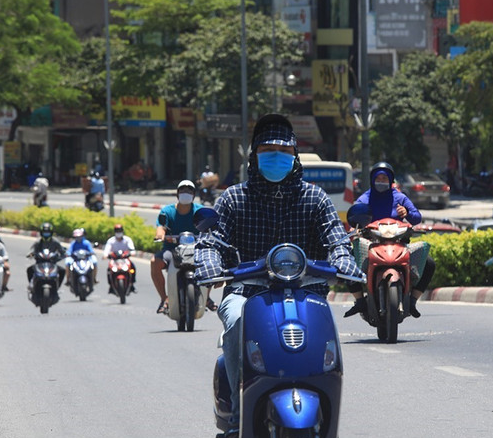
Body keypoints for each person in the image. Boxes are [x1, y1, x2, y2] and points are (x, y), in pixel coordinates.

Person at [194, 114, 363, 420]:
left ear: (294, 156)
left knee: (324, 335)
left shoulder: (316, 198)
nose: (276, 157)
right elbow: (211, 241)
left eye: (284, 151)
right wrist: (208, 264)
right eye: (267, 150)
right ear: (254, 155)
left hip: (307, 289)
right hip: (247, 289)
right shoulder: (233, 198)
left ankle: (326, 408)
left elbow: (337, 239)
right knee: (234, 321)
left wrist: (344, 262)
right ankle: (238, 410)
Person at [344, 161, 435, 319]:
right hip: (371, 243)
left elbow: (416, 218)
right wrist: (355, 226)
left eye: (384, 179)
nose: (381, 181)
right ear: (372, 179)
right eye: (378, 178)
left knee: (429, 263)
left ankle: (412, 300)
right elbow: (355, 214)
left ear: (390, 180)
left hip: (399, 243)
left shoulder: (400, 198)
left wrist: (406, 212)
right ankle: (359, 300)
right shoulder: (365, 198)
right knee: (347, 259)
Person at [153, 180, 213, 313]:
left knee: (211, 263)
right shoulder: (167, 211)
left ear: (194, 194)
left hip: (197, 250)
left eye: (189, 191)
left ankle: (207, 297)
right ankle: (165, 299)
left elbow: (210, 227)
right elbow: (161, 227)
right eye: (183, 191)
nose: (186, 193)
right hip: (172, 250)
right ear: (177, 194)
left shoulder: (200, 211)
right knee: (155, 262)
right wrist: (160, 234)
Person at [102, 224, 137, 293]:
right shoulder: (111, 241)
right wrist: (105, 255)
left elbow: (132, 249)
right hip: (114, 260)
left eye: (120, 231)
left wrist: (132, 253)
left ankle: (132, 284)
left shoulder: (127, 240)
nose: (118, 232)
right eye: (117, 231)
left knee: (132, 269)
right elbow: (106, 250)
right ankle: (111, 286)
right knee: (109, 271)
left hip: (125, 259)